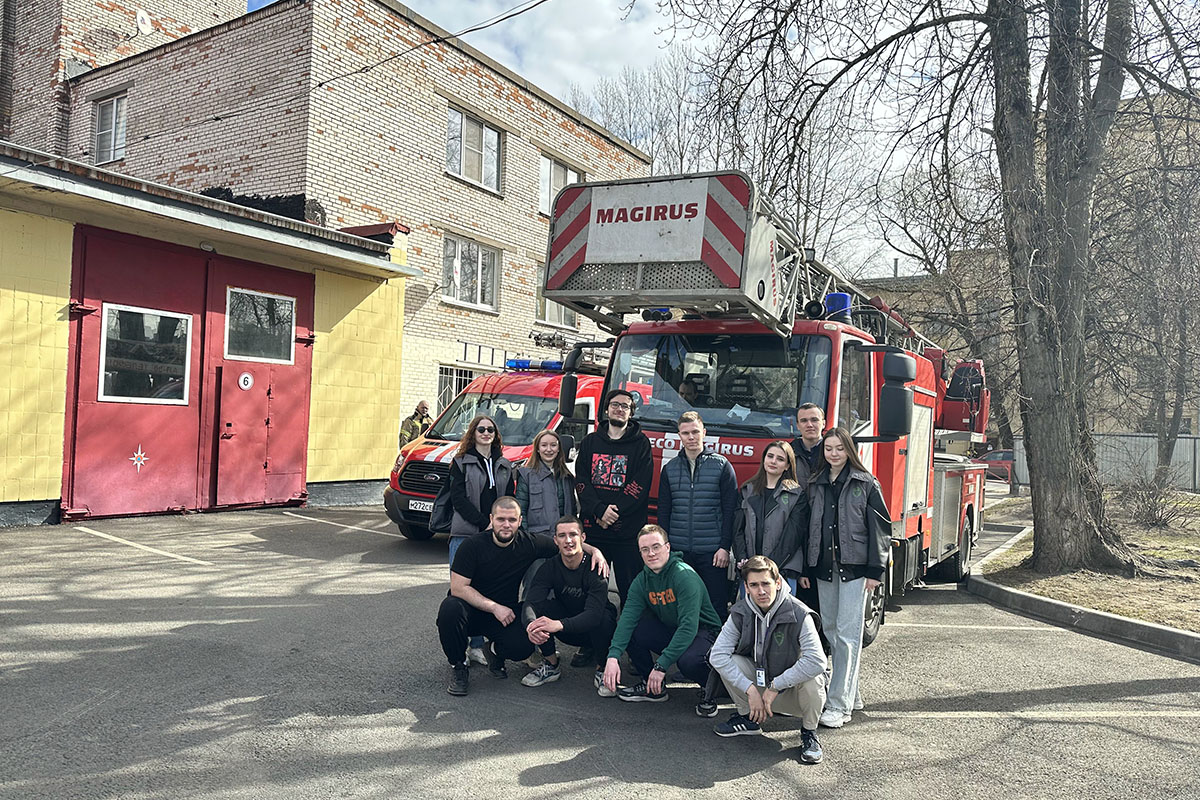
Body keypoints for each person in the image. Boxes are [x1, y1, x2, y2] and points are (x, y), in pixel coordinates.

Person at [437, 497, 609, 696]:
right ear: (491, 519)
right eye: (501, 519)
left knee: (525, 644)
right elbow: (459, 588)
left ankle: (494, 652)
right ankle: (458, 667)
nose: (506, 525)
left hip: (506, 614)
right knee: (450, 609)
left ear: (520, 521)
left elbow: (566, 543)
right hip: (471, 612)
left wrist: (595, 551)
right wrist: (494, 607)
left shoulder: (529, 543)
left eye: (512, 519)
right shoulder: (472, 546)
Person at [799, 427, 889, 728]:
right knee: (833, 631)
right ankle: (853, 693)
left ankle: (839, 705)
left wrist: (876, 570)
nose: (833, 454)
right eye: (828, 449)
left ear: (849, 450)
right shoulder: (816, 484)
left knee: (848, 636)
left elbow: (880, 529)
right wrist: (806, 566)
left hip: (856, 570)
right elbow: (810, 526)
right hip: (824, 568)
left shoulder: (866, 483)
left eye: (839, 448)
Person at [709, 556, 827, 764]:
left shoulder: (799, 613)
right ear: (746, 587)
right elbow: (717, 655)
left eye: (766, 583)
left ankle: (809, 732)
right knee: (730, 660)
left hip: (792, 694)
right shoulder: (740, 612)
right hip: (760, 690)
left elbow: (817, 660)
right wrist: (750, 689)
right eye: (754, 585)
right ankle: (749, 718)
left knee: (814, 677)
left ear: (778, 582)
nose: (761, 591)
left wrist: (776, 686)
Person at [601, 524, 722, 707]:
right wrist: (612, 657)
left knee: (688, 660)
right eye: (645, 549)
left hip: (703, 632)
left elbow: (688, 627)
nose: (651, 553)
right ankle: (652, 687)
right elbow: (627, 620)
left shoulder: (684, 576)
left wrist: (661, 665)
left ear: (667, 547)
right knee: (634, 628)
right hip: (673, 628)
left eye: (656, 547)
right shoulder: (642, 581)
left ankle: (712, 690)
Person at [521, 516, 619, 695]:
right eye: (562, 536)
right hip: (568, 629)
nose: (568, 541)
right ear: (555, 540)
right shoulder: (549, 567)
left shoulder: (596, 568)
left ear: (583, 538)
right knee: (539, 612)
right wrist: (531, 626)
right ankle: (551, 665)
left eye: (573, 535)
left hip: (594, 631)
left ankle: (602, 668)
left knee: (605, 618)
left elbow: (593, 615)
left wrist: (558, 624)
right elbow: (531, 602)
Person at [447, 414, 516, 665]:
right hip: (466, 533)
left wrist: (500, 524)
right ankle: (460, 647)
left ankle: (477, 645)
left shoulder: (505, 464)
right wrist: (483, 521)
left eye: (490, 429)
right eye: (480, 429)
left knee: (483, 589)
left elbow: (508, 499)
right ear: (473, 434)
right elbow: (458, 499)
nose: (485, 433)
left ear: (495, 434)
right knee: (460, 591)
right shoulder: (460, 462)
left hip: (493, 535)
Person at [657, 411, 739, 619]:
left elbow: (730, 510)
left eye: (695, 432)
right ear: (679, 436)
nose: (691, 437)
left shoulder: (722, 466)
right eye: (685, 433)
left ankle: (715, 649)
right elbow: (664, 511)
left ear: (704, 432)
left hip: (712, 552)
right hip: (679, 551)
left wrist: (724, 547)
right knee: (681, 604)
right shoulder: (670, 469)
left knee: (715, 605)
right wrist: (665, 549)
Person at [575, 389, 653, 604]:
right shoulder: (590, 442)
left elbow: (640, 483)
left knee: (632, 593)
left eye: (625, 406)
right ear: (607, 409)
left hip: (627, 533)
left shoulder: (641, 444)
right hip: (594, 531)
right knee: (591, 590)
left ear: (631, 412)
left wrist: (612, 512)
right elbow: (581, 480)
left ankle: (631, 635)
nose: (620, 409)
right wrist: (599, 510)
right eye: (615, 405)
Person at [732, 441, 810, 591]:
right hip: (749, 571)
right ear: (764, 459)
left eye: (780, 459)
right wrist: (744, 561)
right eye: (770, 456)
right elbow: (737, 530)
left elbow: (792, 538)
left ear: (787, 465)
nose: (773, 461)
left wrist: (769, 570)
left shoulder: (797, 495)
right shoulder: (747, 490)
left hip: (782, 571)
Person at [516, 429, 577, 536]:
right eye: (544, 445)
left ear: (559, 449)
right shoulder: (526, 475)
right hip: (537, 538)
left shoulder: (567, 477)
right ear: (538, 449)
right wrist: (525, 536)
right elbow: (521, 510)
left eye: (553, 445)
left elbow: (573, 510)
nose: (549, 450)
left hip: (564, 538)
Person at [789, 403, 826, 484]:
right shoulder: (787, 453)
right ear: (798, 426)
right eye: (804, 421)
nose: (809, 425)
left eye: (814, 420)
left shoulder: (834, 452)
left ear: (823, 424)